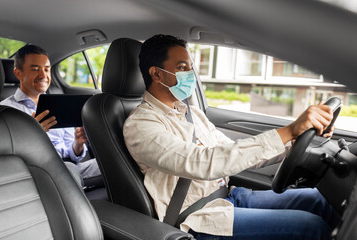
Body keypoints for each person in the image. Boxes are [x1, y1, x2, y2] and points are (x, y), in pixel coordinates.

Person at [123, 34, 340, 240]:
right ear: (157, 74)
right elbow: (202, 162)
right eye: (182, 68)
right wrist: (287, 130)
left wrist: (293, 144)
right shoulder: (141, 125)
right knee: (310, 227)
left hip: (227, 197)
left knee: (319, 200)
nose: (191, 74)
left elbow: (232, 151)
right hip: (198, 218)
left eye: (191, 67)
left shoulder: (192, 113)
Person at [0, 44, 100, 186]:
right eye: (35, 69)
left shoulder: (58, 103)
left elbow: (70, 154)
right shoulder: (5, 111)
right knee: (69, 169)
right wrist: (34, 134)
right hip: (35, 174)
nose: (43, 75)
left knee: (110, 162)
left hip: (70, 168)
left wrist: (77, 145)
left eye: (46, 69)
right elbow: (10, 159)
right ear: (18, 73)